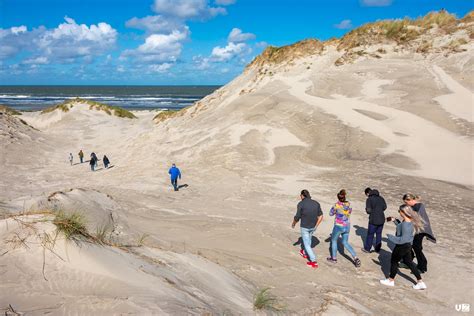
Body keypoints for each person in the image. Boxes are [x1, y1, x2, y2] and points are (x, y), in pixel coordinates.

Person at [380, 205, 427, 290]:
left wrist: (390, 237)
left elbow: (403, 239)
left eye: (399, 211)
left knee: (394, 261)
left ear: (403, 212)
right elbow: (403, 229)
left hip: (402, 246)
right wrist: (395, 221)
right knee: (409, 262)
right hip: (408, 246)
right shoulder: (409, 222)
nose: (399, 212)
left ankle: (391, 280)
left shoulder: (406, 224)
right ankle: (420, 282)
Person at [327, 190, 361, 267]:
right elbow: (349, 212)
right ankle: (355, 257)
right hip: (347, 225)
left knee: (334, 240)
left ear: (338, 197)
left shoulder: (336, 205)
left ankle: (334, 258)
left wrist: (337, 212)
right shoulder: (349, 204)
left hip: (339, 226)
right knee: (345, 242)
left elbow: (330, 213)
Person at [403, 193, 436, 273]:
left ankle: (422, 266)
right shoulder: (416, 206)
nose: (406, 204)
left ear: (410, 200)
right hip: (420, 229)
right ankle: (413, 262)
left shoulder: (418, 206)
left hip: (421, 230)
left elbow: (416, 217)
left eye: (406, 202)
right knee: (415, 246)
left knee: (417, 247)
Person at [291, 189, 323, 268]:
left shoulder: (301, 204)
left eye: (300, 196)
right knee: (309, 240)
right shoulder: (316, 203)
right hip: (313, 226)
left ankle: (313, 261)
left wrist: (293, 223)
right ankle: (304, 253)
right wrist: (316, 225)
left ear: (302, 195)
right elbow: (321, 216)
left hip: (305, 226)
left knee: (307, 244)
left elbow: (297, 216)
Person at [362, 188, 387, 253]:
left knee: (370, 235)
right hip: (381, 219)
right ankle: (377, 249)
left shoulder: (369, 199)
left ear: (368, 193)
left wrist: (369, 210)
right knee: (379, 234)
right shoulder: (381, 198)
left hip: (373, 219)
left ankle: (367, 249)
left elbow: (369, 211)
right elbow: (385, 207)